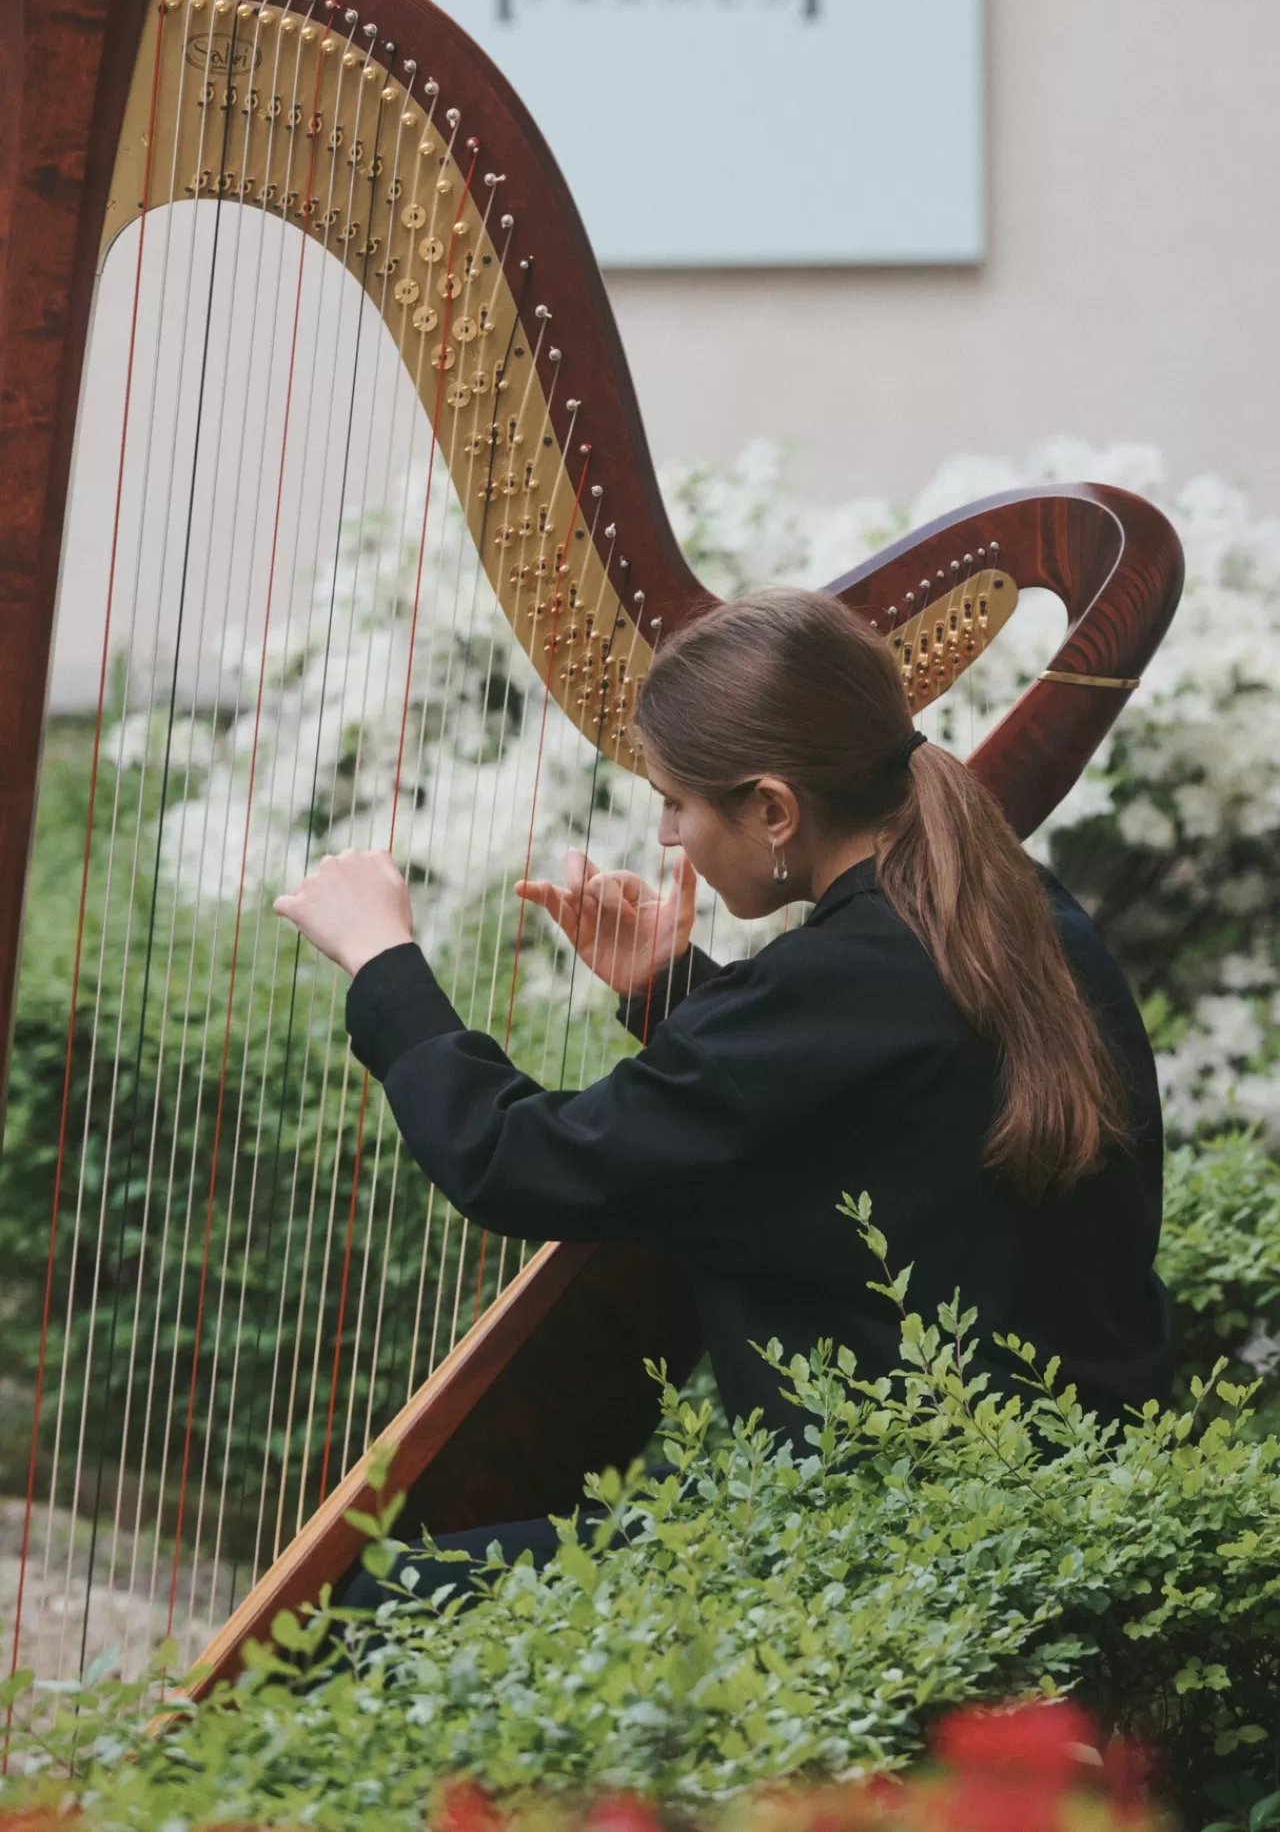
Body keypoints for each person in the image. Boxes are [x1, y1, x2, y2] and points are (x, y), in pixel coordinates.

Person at [274, 588, 1172, 1605]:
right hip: (1054, 1507)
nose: (665, 835)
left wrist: (383, 960)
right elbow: (863, 1106)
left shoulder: (821, 989)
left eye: (676, 801)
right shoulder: (1015, 907)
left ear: (774, 809)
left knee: (351, 1616)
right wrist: (667, 989)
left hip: (887, 1555)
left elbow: (515, 1160)